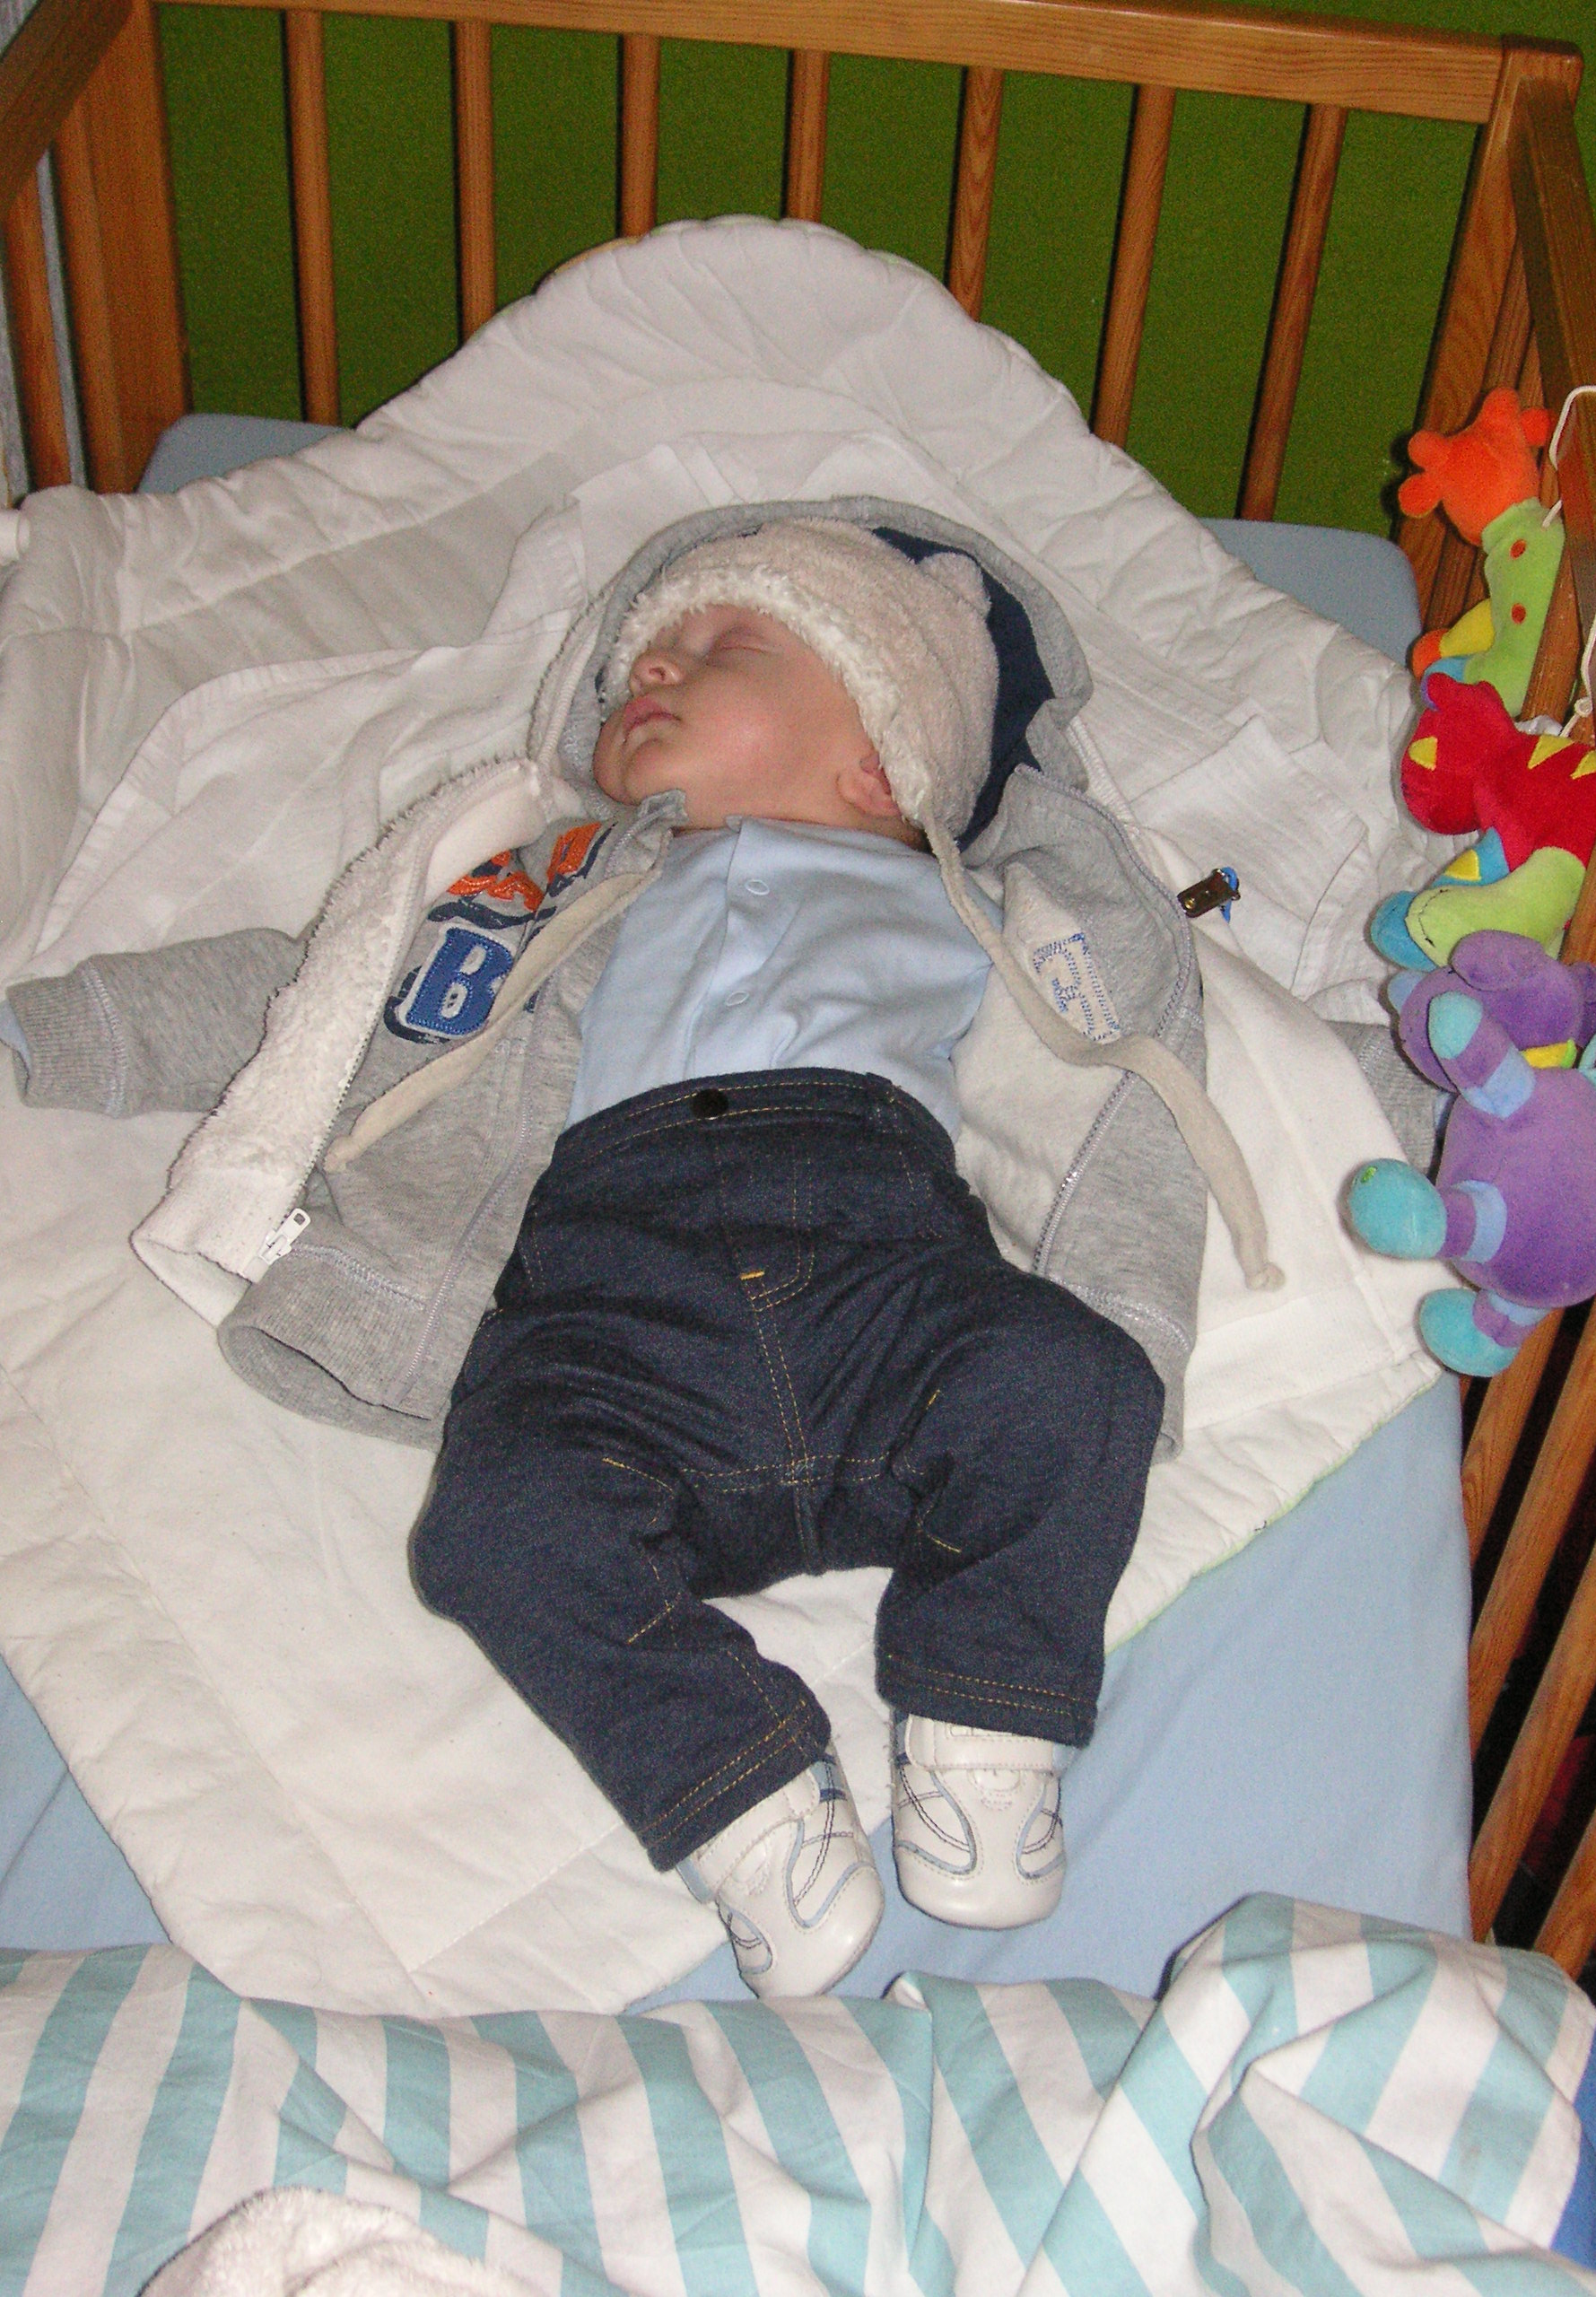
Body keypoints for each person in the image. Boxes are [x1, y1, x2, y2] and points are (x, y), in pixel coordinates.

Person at [4, 503, 1281, 1998]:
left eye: (721, 646)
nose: (651, 673)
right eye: (633, 666)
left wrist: (1426, 1100)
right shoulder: (536, 888)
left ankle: (986, 1720)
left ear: (879, 764)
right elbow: (309, 997)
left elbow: (1175, 1062)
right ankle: (740, 1797)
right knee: (495, 1525)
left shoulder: (982, 906)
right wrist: (50, 1029)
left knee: (1077, 1380)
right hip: (608, 1307)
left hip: (878, 1268)